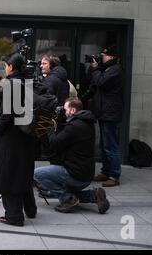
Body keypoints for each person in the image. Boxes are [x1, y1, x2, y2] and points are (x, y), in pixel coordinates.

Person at [34, 97, 110, 214]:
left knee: (37, 174)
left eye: (65, 110)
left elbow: (54, 143)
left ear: (73, 110)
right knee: (63, 190)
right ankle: (93, 195)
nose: (64, 112)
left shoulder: (74, 127)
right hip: (86, 174)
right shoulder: (86, 123)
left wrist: (49, 128)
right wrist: (59, 123)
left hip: (74, 174)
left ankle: (67, 200)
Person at [0, 54, 37, 227]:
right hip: (26, 135)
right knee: (23, 171)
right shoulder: (27, 82)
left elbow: (6, 115)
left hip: (11, 137)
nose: (5, 68)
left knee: (9, 174)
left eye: (6, 66)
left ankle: (14, 216)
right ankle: (30, 209)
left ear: (11, 67)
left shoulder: (11, 84)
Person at [89, 46, 124, 187]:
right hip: (104, 112)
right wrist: (93, 68)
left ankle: (114, 175)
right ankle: (105, 171)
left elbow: (101, 81)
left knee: (111, 146)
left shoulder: (116, 70)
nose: (101, 57)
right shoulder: (106, 68)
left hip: (111, 113)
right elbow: (93, 81)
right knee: (104, 145)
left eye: (103, 55)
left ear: (111, 56)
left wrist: (96, 69)